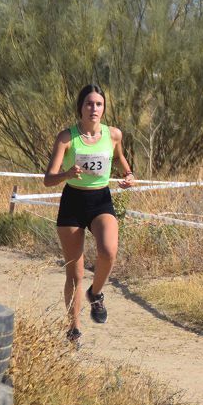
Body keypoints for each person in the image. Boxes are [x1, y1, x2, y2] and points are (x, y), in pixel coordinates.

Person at [43, 84, 135, 346]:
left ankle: (96, 294)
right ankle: (74, 329)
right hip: (72, 202)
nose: (94, 109)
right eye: (89, 104)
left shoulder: (113, 134)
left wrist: (128, 176)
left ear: (104, 108)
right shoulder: (67, 137)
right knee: (75, 273)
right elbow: (48, 179)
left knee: (108, 251)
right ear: (80, 108)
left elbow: (120, 159)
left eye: (99, 104)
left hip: (100, 200)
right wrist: (67, 174)